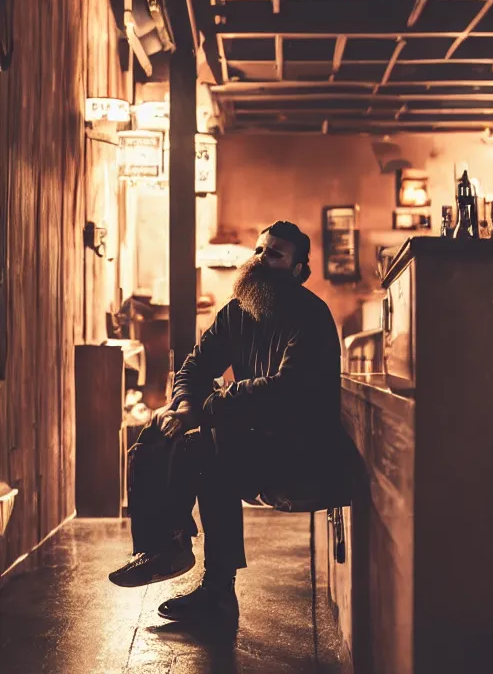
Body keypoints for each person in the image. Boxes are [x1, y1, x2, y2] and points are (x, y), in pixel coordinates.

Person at [109, 220, 351, 624]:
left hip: (302, 452)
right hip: (251, 439)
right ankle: (164, 548)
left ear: (298, 270)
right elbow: (193, 368)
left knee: (207, 448)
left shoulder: (312, 317)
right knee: (157, 437)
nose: (260, 259)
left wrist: (212, 406)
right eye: (259, 250)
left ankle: (208, 583)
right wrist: (184, 407)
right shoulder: (238, 312)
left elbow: (285, 391)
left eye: (274, 253)